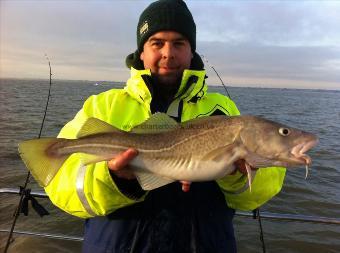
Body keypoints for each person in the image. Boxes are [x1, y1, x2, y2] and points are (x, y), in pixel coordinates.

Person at [44, 0, 286, 252]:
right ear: (141, 52)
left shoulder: (223, 110)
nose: (168, 53)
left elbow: (261, 193)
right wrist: (114, 179)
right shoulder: (102, 106)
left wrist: (237, 178)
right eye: (157, 43)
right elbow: (61, 188)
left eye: (179, 43)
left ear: (192, 51)